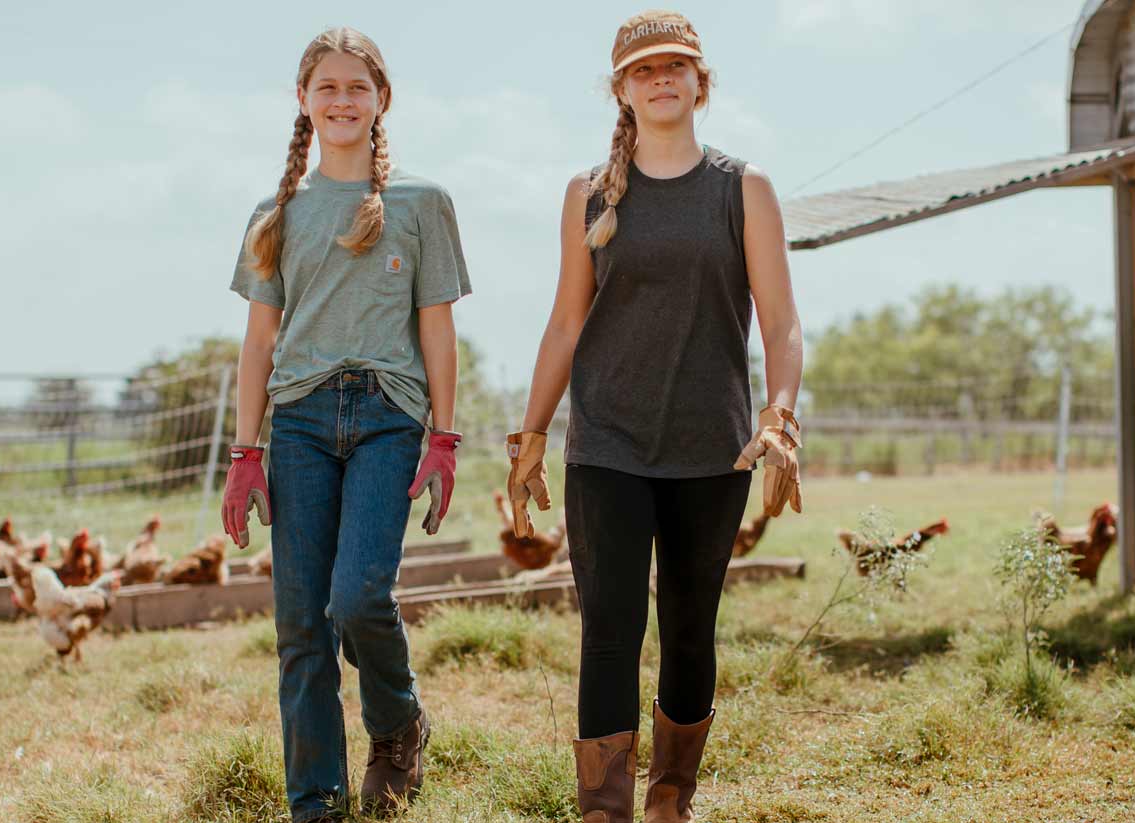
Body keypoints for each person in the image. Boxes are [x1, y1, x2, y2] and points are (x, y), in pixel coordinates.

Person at [505, 11, 804, 823]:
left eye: (677, 66)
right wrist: (532, 433)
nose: (661, 79)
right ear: (622, 90)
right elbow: (567, 322)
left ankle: (671, 800)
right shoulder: (590, 194)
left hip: (712, 447)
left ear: (701, 82)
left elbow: (780, 322)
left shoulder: (744, 189)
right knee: (609, 626)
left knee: (688, 627)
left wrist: (780, 414)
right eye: (644, 70)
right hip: (605, 443)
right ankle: (605, 811)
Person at [220, 26, 471, 823]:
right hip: (295, 423)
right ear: (303, 101)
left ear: (381, 100)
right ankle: (316, 801)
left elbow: (436, 327)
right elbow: (259, 342)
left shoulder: (420, 204)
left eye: (356, 87)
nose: (341, 100)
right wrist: (244, 452)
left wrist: (444, 436)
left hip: (388, 417)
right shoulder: (276, 214)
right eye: (326, 87)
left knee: (358, 596)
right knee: (302, 622)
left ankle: (398, 726)